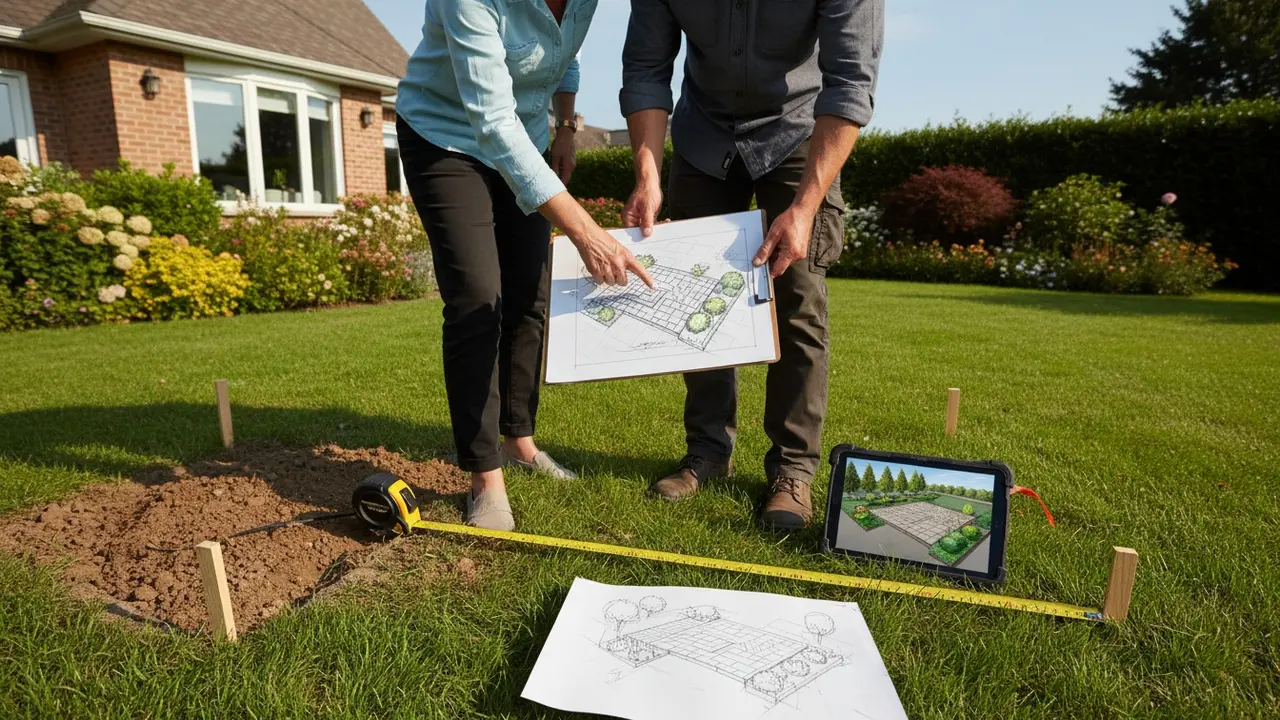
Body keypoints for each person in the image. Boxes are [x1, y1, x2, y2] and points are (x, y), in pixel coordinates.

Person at [620, 1, 884, 530]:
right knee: (698, 296)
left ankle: (792, 470)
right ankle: (707, 453)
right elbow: (647, 70)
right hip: (703, 136)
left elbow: (851, 80)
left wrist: (806, 208)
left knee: (797, 302)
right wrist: (648, 176)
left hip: (799, 133)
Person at [397, 0, 654, 532]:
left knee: (528, 296)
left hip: (530, 137)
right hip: (447, 138)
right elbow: (490, 119)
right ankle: (485, 476)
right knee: (477, 297)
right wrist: (585, 232)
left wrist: (564, 126)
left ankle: (519, 441)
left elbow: (565, 56)